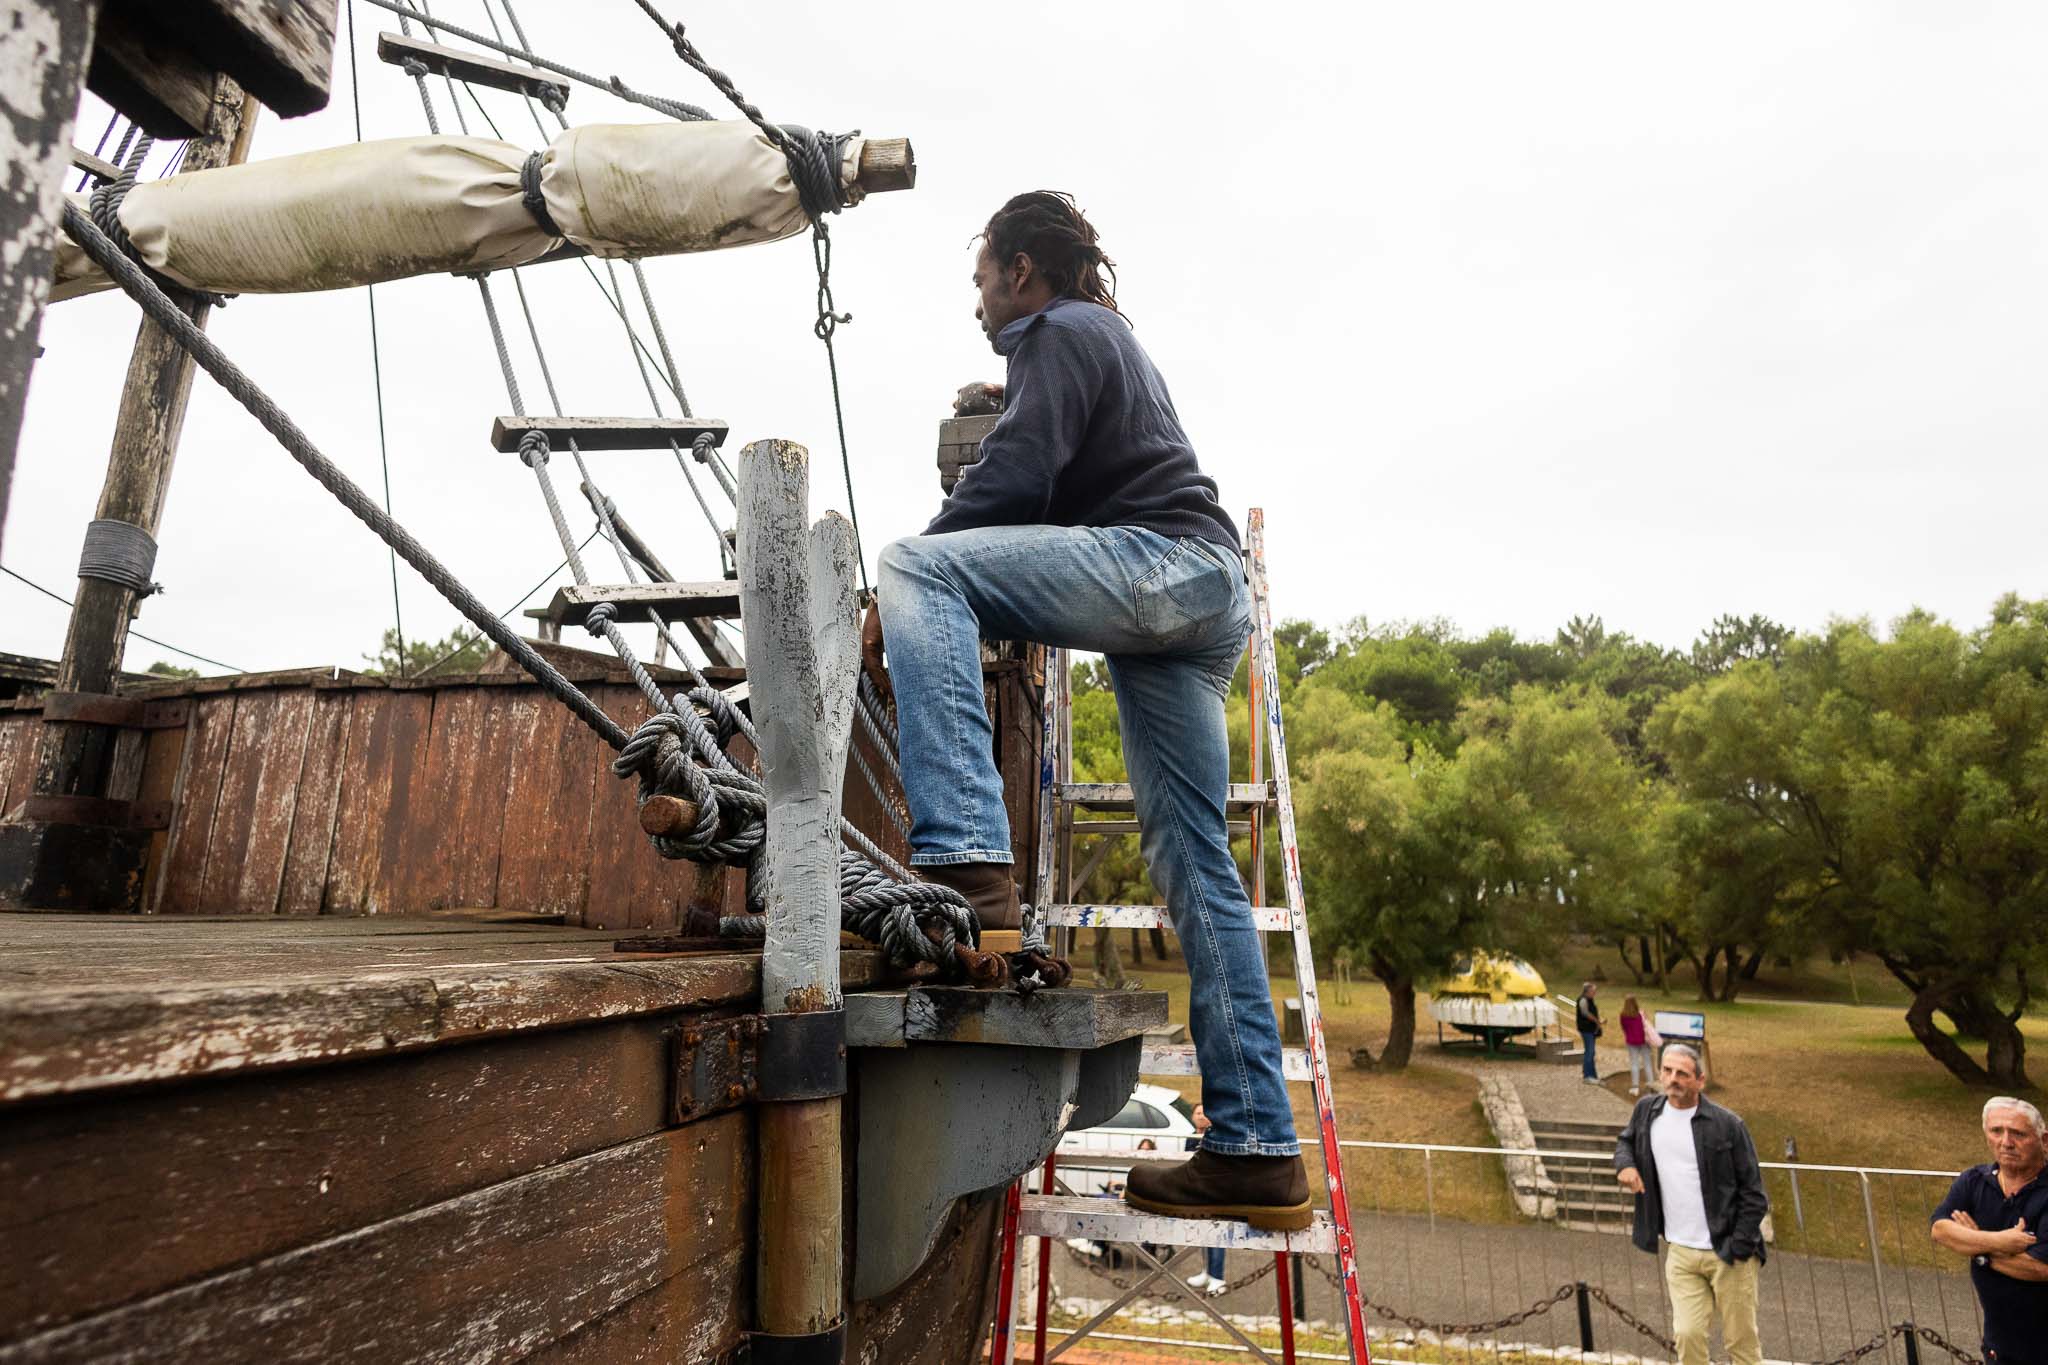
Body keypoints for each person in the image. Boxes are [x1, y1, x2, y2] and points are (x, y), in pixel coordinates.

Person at [864, 191, 1307, 1230]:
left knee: (915, 570)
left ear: (1022, 271)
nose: (978, 304)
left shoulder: (1057, 329)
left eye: (982, 281)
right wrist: (1016, 403)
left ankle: (969, 867)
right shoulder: (1092, 343)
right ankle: (1256, 1147)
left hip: (1164, 574)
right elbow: (1058, 466)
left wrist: (899, 601)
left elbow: (1014, 477)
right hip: (1202, 599)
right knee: (1197, 865)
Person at [1612, 1043, 1768, 1365]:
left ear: (1700, 1080)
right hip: (1681, 1252)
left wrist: (1738, 1246)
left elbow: (1754, 1194)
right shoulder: (1647, 1111)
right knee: (1687, 1335)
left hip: (1728, 1251)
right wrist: (1625, 1166)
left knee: (1741, 1343)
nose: (1673, 1079)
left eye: (1682, 1073)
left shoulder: (1729, 1125)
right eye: (1667, 1071)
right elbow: (1625, 1142)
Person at [1930, 1097, 2048, 1365]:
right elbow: (1940, 1230)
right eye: (1996, 1131)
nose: (2006, 1142)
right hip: (2001, 1344)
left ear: (2044, 1140)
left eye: (2018, 1133)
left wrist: (1977, 1250)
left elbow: (2040, 1268)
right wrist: (2000, 1241)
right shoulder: (1974, 1181)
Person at [1183, 1104, 1230, 1296]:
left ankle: (1218, 1278)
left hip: (1218, 1191)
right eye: (1198, 1113)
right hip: (1198, 1192)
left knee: (1217, 1234)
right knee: (1203, 1233)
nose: (1201, 1116)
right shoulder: (1190, 1137)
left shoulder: (1218, 1135)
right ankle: (1207, 1272)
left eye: (1204, 1113)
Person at [1619, 995, 1653, 1095]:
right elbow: (1646, 1026)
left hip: (1631, 1041)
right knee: (1647, 1064)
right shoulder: (1641, 1014)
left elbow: (1624, 1028)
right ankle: (1651, 1087)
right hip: (1643, 1041)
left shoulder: (1623, 1016)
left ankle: (1635, 1087)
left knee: (1634, 1064)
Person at [1577, 981, 1603, 1084]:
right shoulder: (1583, 1000)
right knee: (1590, 1051)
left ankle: (1592, 1074)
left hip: (1590, 1029)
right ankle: (1588, 1076)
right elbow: (1585, 1013)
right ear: (1588, 991)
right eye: (1593, 991)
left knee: (1590, 1052)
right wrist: (1596, 1021)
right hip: (1586, 1029)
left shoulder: (1590, 1000)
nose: (1594, 993)